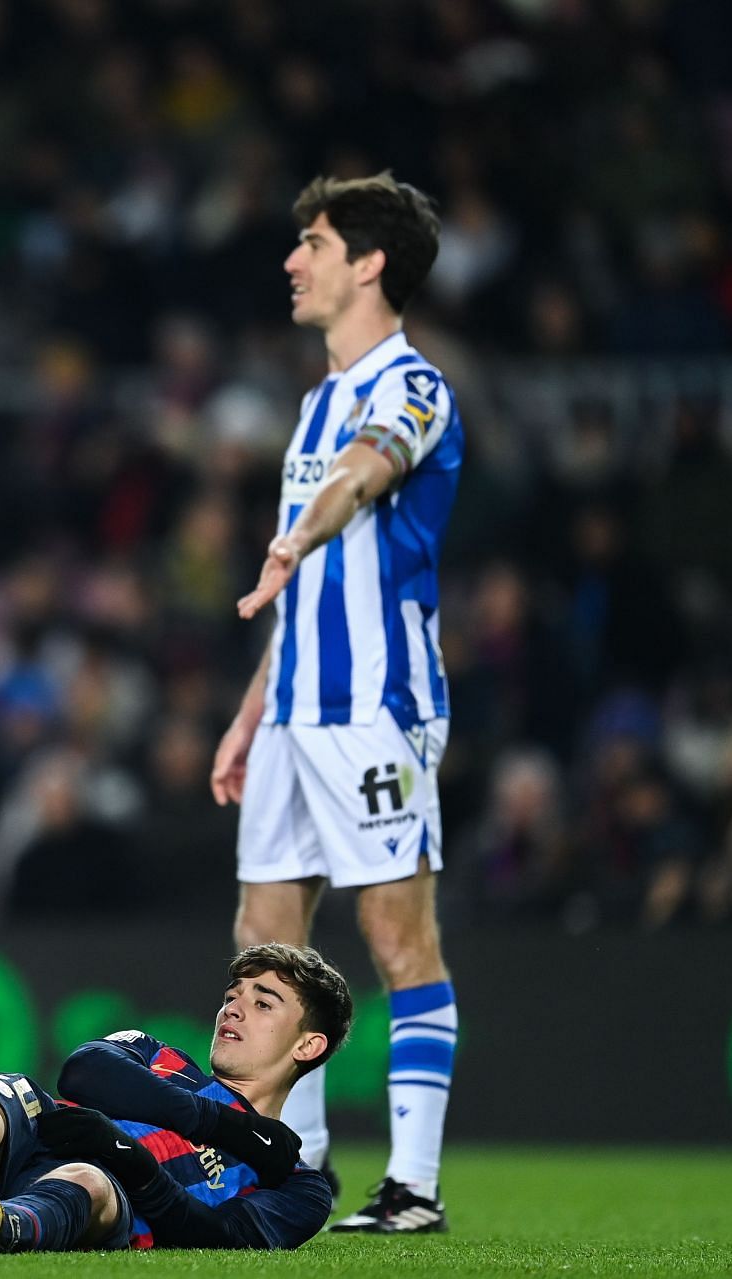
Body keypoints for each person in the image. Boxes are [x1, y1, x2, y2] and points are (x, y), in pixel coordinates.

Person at [211, 173, 461, 1233]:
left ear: (368, 262)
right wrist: (251, 707)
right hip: (296, 704)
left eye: (311, 241)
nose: (292, 261)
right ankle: (291, 1158)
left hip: (375, 705)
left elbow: (368, 472)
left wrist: (297, 531)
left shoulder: (414, 384)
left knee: (398, 937)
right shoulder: (313, 401)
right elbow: (298, 585)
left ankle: (412, 1183)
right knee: (265, 941)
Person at [0, 943, 349, 1254]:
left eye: (263, 1003)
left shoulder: (298, 1184)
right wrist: (223, 1125)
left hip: (109, 1194)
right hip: (36, 1137)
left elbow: (224, 1239)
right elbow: (83, 1071)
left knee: (88, 1182)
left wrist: (130, 1162)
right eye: (232, 996)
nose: (233, 1009)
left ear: (309, 1044)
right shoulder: (160, 1056)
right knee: (5, 1092)